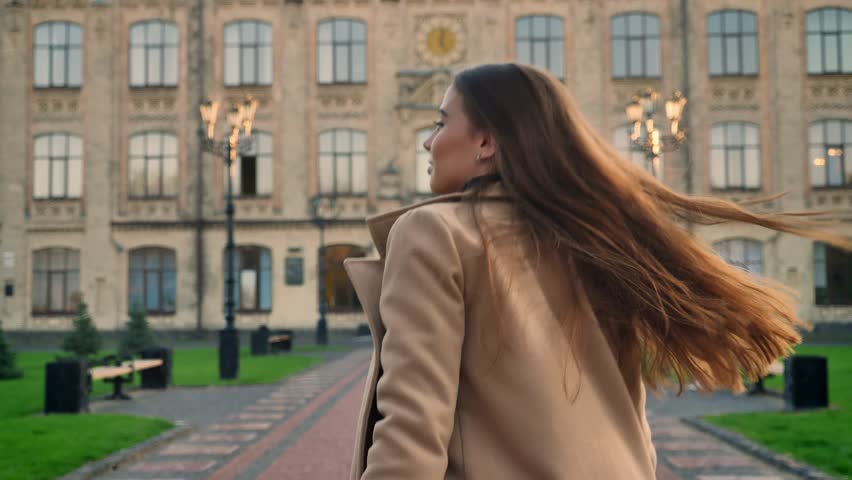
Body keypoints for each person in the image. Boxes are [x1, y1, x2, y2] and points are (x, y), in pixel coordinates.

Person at [343, 63, 852, 479]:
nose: (427, 142)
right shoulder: (595, 236)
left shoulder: (436, 233)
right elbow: (630, 415)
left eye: (439, 123)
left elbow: (412, 430)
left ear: (486, 143)